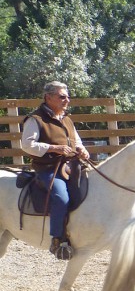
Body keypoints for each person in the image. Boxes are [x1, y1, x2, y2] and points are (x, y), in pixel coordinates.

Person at [20, 81, 90, 260]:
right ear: (48, 97)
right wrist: (53, 148)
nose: (67, 100)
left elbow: (77, 141)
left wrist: (82, 150)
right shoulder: (35, 119)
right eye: (62, 97)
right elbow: (27, 145)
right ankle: (58, 239)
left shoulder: (66, 119)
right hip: (47, 169)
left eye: (67, 97)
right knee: (61, 197)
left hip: (70, 166)